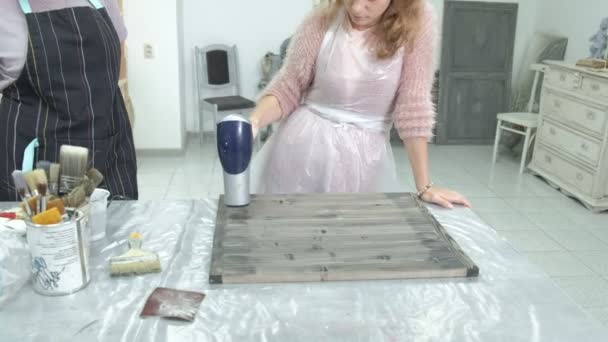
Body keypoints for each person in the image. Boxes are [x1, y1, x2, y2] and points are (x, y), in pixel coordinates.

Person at [250, 0, 470, 209]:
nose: (356, 9)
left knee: (348, 236)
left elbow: (413, 104)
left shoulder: (417, 21)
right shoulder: (323, 17)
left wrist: (424, 185)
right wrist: (254, 120)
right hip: (300, 149)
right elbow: (289, 86)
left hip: (362, 159)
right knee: (289, 232)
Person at [0, 0, 138, 201]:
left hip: (109, 156)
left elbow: (113, 62)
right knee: (50, 229)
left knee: (116, 228)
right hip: (39, 168)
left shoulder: (102, 2)